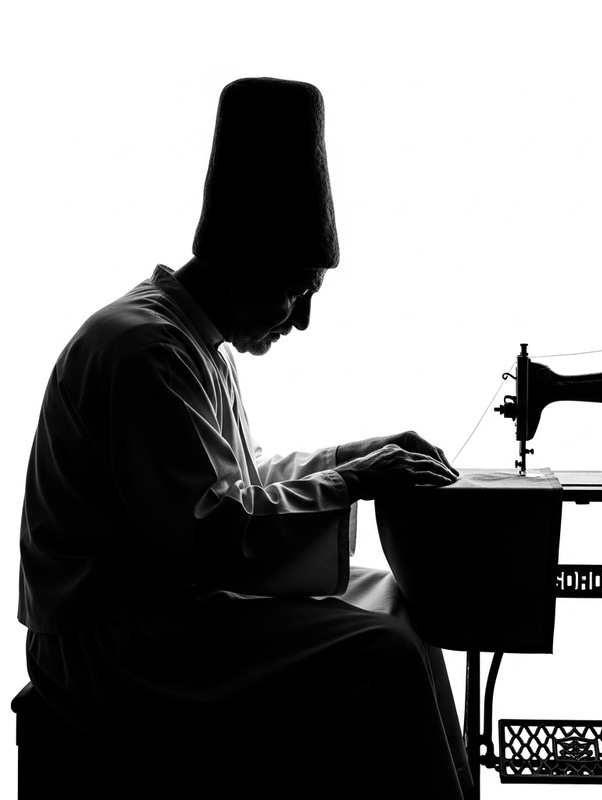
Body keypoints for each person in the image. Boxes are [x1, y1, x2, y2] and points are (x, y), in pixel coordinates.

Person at [18, 78, 471, 798]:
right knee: (385, 655)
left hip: (158, 608)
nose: (300, 322)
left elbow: (239, 480)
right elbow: (211, 532)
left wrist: (355, 456)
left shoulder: (189, 342)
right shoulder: (147, 350)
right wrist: (357, 480)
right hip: (116, 641)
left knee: (396, 598)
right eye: (297, 293)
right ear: (240, 259)